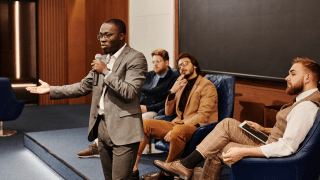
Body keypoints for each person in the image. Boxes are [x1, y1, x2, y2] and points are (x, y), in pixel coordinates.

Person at [153, 57, 320, 180]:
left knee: (223, 135)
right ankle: (189, 168)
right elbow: (292, 130)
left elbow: (286, 147)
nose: (286, 78)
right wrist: (263, 129)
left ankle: (186, 166)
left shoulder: (306, 107)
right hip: (270, 140)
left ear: (307, 78)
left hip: (277, 154)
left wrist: (244, 150)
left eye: (292, 73)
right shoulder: (304, 102)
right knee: (221, 136)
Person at [26, 19, 148, 180]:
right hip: (102, 126)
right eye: (100, 35)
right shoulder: (102, 60)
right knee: (109, 177)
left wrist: (106, 72)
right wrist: (52, 89)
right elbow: (82, 87)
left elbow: (130, 92)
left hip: (124, 128)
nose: (103, 39)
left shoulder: (135, 58)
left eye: (108, 35)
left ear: (121, 36)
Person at [77, 49, 179, 158]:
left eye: (158, 61)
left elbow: (169, 101)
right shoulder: (149, 75)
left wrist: (148, 108)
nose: (155, 65)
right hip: (137, 106)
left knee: (137, 119)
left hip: (155, 111)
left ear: (166, 62)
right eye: (153, 62)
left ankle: (119, 149)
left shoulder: (173, 78)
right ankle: (98, 146)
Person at [132, 53, 219, 180]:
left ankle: (166, 173)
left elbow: (203, 115)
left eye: (185, 63)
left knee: (177, 131)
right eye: (179, 66)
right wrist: (172, 92)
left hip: (197, 127)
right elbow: (168, 112)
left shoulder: (206, 86)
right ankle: (133, 168)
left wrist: (179, 126)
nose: (182, 67)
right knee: (145, 124)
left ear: (194, 66)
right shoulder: (181, 84)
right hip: (179, 123)